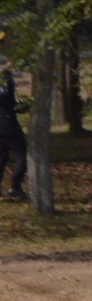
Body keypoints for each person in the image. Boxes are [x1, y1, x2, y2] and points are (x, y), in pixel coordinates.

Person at [0, 60, 28, 202]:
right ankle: (15, 186)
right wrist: (19, 106)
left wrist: (19, 106)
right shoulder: (4, 81)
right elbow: (5, 100)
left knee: (1, 157)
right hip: (7, 125)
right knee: (23, 152)